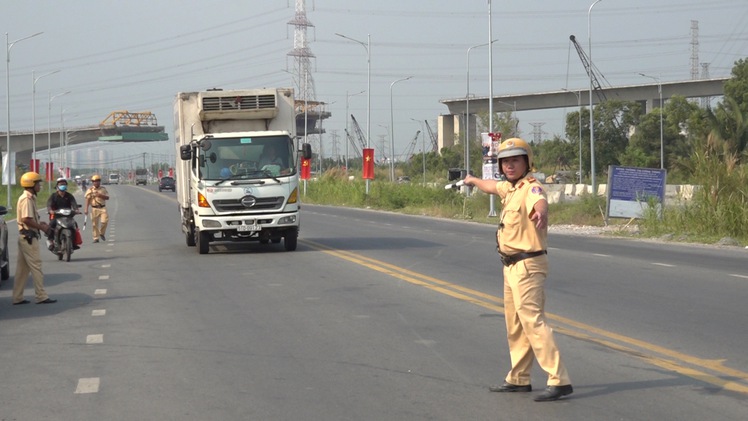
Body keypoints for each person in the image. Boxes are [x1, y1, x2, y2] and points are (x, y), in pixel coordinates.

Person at [462, 137, 572, 402]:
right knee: (515, 325)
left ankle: (559, 379)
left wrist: (542, 213)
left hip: (528, 265)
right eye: (505, 161)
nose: (509, 166)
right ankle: (519, 378)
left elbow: (540, 202)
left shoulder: (530, 188)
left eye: (515, 160)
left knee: (533, 321)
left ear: (527, 162)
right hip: (510, 266)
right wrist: (473, 180)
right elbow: (492, 186)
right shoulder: (510, 188)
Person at [12, 172, 56, 305]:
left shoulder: (30, 198)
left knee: (22, 270)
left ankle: (17, 297)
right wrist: (42, 228)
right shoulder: (26, 199)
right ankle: (41, 296)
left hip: (25, 237)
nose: (40, 185)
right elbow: (26, 219)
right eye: (37, 183)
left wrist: (40, 224)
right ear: (31, 184)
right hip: (29, 238)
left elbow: (30, 219)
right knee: (36, 266)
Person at [46, 177, 80, 252]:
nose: (63, 185)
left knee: (75, 225)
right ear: (57, 186)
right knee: (52, 224)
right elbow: (49, 204)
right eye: (61, 184)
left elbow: (74, 204)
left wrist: (76, 210)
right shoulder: (53, 196)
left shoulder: (69, 196)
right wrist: (50, 210)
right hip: (56, 216)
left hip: (68, 216)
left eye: (64, 184)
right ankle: (51, 241)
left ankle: (74, 242)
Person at [84, 174, 110, 243]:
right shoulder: (90, 190)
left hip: (102, 208)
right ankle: (96, 238)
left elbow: (107, 197)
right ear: (92, 182)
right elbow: (87, 200)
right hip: (94, 208)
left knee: (104, 221)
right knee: (94, 224)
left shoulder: (103, 189)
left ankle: (101, 233)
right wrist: (86, 209)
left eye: (97, 181)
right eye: (94, 181)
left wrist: (100, 195)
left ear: (99, 181)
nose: (96, 182)